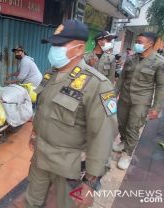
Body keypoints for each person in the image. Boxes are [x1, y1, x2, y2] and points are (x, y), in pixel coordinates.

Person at [25, 20, 118, 208]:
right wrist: (34, 133)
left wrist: (90, 183)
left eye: (60, 45)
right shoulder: (50, 74)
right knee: (31, 201)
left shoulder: (98, 85)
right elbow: (43, 108)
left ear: (79, 48)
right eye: (53, 44)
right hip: (41, 156)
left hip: (70, 166)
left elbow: (103, 136)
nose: (54, 49)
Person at [114, 32, 164, 170]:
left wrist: (156, 108)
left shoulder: (160, 62)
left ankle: (127, 154)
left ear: (150, 44)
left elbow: (162, 86)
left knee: (133, 127)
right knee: (121, 123)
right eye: (137, 41)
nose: (136, 44)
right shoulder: (131, 59)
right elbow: (122, 78)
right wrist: (113, 95)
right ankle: (123, 141)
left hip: (141, 101)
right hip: (125, 98)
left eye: (139, 41)